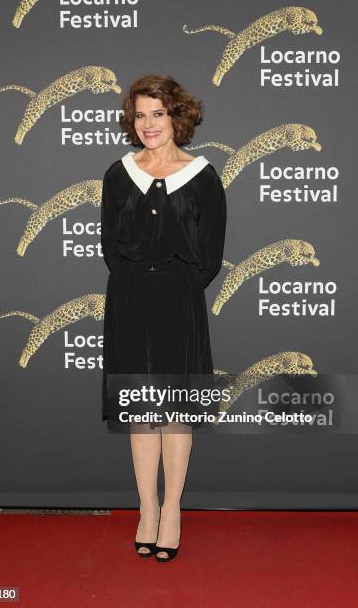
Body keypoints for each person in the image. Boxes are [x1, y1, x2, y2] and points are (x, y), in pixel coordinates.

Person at [100, 75, 227, 562]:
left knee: (174, 413)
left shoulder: (203, 175)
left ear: (178, 116)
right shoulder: (118, 174)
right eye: (140, 114)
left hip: (179, 300)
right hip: (130, 299)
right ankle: (146, 508)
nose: (149, 124)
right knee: (141, 412)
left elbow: (211, 256)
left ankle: (172, 510)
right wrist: (138, 282)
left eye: (158, 113)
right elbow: (110, 248)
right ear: (131, 121)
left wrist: (176, 287)